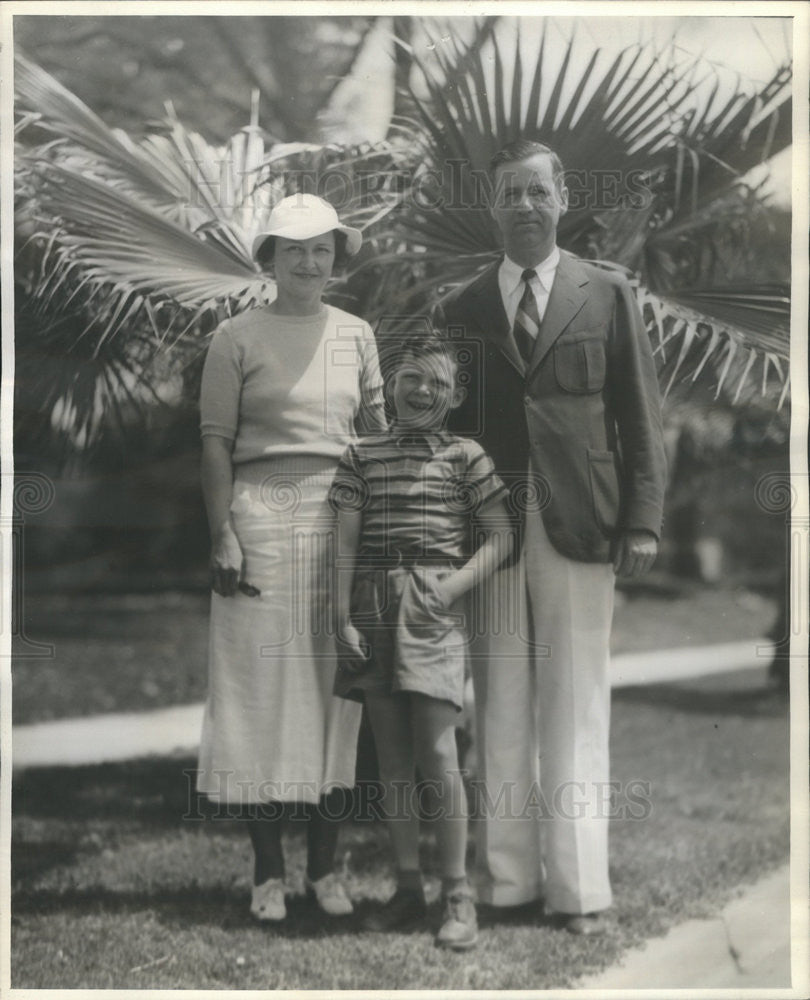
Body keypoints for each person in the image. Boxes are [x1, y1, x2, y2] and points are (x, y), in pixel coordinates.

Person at [437, 139, 667, 934]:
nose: (525, 206)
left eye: (539, 191)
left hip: (583, 525)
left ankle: (579, 892)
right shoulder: (462, 308)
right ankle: (506, 886)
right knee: (499, 704)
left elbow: (639, 418)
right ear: (492, 206)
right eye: (511, 193)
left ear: (562, 197)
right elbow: (448, 434)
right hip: (490, 531)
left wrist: (641, 519)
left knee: (575, 705)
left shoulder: (605, 293)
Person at [196, 193, 386, 922]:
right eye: (294, 249)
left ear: (336, 258)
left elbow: (375, 432)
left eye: (322, 249)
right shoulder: (234, 337)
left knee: (337, 695)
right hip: (257, 523)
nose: (310, 262)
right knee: (259, 695)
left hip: (340, 519)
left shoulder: (357, 333)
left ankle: (327, 872)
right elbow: (216, 441)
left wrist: (385, 527)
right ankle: (269, 874)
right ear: (269, 259)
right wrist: (223, 532)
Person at [329, 336, 511, 950]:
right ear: (390, 384)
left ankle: (456, 891)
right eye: (411, 377)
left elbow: (500, 537)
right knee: (391, 759)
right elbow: (345, 542)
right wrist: (341, 617)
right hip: (373, 602)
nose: (421, 390)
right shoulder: (361, 452)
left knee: (438, 753)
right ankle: (408, 889)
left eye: (435, 382)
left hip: (433, 603)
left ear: (453, 396)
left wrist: (455, 584)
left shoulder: (467, 455)